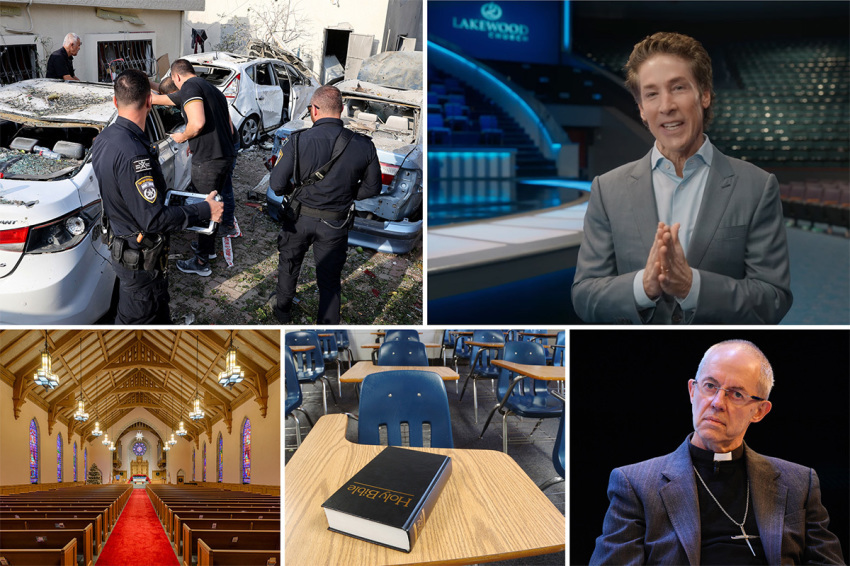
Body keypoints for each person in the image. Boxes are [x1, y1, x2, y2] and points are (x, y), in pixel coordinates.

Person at [571, 32, 792, 324]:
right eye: (651, 94)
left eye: (678, 88)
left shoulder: (757, 187)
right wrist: (643, 287)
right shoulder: (607, 189)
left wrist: (693, 287)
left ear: (704, 94)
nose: (666, 106)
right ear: (641, 109)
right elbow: (585, 296)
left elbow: (773, 298)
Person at [590, 340, 844, 565]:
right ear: (692, 391)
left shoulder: (799, 482)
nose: (717, 403)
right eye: (710, 386)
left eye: (736, 394)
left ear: (759, 411)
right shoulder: (635, 483)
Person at [91, 69, 223, 324]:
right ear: (150, 102)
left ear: (115, 101)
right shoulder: (134, 155)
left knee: (158, 311)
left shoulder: (103, 139)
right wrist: (204, 210)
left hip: (127, 249)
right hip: (139, 261)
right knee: (136, 323)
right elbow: (152, 219)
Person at [269, 85, 381, 324]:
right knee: (329, 279)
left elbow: (277, 184)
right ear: (341, 109)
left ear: (315, 110)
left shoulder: (297, 141)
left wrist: (295, 191)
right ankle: (327, 326)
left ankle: (282, 311)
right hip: (335, 222)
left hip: (298, 218)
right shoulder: (364, 145)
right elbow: (373, 188)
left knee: (289, 265)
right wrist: (346, 194)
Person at [150, 59, 236, 275]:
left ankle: (201, 263)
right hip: (224, 156)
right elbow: (162, 98)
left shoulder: (189, 87)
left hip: (208, 160)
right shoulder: (210, 88)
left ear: (176, 77)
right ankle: (207, 250)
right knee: (214, 201)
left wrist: (184, 136)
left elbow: (196, 123)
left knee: (204, 205)